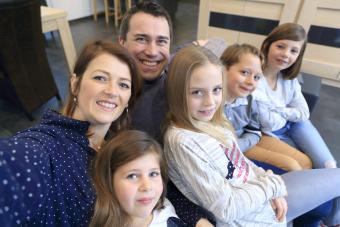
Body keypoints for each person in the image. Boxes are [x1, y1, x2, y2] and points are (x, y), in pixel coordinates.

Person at [163, 45, 340, 226]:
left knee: (328, 194)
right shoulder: (181, 141)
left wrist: (269, 182)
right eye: (197, 92)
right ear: (178, 91)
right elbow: (227, 207)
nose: (210, 102)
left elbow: (242, 163)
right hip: (248, 218)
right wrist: (272, 186)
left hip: (262, 202)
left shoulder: (215, 119)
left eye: (216, 90)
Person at [0, 40, 141, 226]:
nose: (112, 91)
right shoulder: (46, 145)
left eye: (123, 85)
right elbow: (13, 167)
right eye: (100, 78)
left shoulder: (116, 142)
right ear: (75, 84)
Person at [119, 1, 215, 226]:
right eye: (141, 39)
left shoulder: (181, 84)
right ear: (122, 43)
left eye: (161, 41)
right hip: (164, 193)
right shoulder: (115, 99)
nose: (152, 51)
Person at [252, 22, 337, 169]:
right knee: (305, 166)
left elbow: (304, 113)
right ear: (267, 45)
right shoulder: (254, 78)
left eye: (294, 51)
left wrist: (280, 110)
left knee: (328, 165)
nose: (286, 54)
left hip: (295, 124)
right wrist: (289, 112)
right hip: (267, 132)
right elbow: (269, 123)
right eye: (280, 46)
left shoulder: (289, 79)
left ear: (298, 56)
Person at [220, 43, 312, 171]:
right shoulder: (211, 104)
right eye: (245, 72)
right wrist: (240, 145)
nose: (251, 81)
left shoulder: (249, 98)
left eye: (257, 77)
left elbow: (254, 131)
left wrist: (244, 142)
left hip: (245, 141)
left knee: (305, 163)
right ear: (223, 69)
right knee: (292, 167)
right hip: (230, 150)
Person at [90, 129, 185, 227]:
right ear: (108, 181)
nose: (147, 186)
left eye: (153, 174)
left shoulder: (166, 209)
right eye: (132, 176)